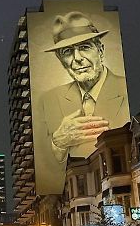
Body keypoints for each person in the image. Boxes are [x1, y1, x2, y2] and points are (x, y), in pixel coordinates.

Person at [36, 11, 129, 194]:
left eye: (85, 47)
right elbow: (46, 168)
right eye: (68, 52)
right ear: (62, 61)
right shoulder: (48, 100)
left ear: (100, 50)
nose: (77, 58)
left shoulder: (121, 88)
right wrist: (58, 143)